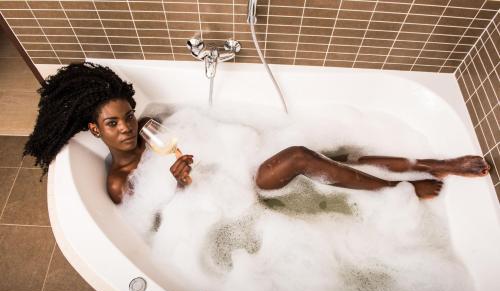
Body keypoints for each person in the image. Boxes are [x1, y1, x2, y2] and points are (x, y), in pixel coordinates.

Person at [24, 62, 490, 204]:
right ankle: (401, 191)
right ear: (93, 129)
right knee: (302, 156)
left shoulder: (149, 131)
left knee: (341, 151)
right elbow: (157, 220)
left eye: (128, 115)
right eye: (113, 124)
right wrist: (181, 183)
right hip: (236, 188)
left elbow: (196, 135)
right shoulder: (116, 183)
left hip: (237, 152)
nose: (127, 128)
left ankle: (432, 163)